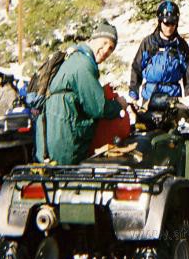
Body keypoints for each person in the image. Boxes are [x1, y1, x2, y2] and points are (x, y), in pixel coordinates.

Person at [35, 19, 127, 165]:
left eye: (110, 48)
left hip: (49, 139)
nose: (105, 51)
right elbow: (98, 107)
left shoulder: (75, 56)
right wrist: (119, 105)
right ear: (94, 38)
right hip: (63, 142)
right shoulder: (83, 65)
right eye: (104, 43)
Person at [129, 0, 189, 102]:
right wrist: (133, 94)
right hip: (150, 97)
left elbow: (188, 74)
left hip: (173, 97)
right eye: (166, 23)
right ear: (160, 22)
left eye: (173, 23)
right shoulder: (148, 43)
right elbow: (136, 68)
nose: (169, 27)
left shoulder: (181, 45)